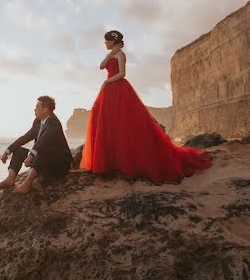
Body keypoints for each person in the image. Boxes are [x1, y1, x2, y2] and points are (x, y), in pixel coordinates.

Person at [81, 30, 211, 182]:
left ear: (113, 42)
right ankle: (111, 161)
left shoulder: (121, 55)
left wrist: (107, 81)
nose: (105, 44)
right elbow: (101, 66)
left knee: (122, 123)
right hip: (109, 91)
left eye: (106, 41)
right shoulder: (112, 54)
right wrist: (111, 54)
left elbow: (122, 74)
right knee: (106, 121)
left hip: (118, 89)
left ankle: (123, 162)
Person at [0, 95, 73, 194]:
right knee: (19, 150)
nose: (34, 109)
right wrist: (7, 151)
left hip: (60, 164)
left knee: (43, 151)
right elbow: (25, 137)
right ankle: (10, 179)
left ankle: (26, 185)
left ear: (45, 109)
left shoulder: (54, 123)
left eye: (37, 107)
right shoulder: (38, 122)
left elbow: (43, 141)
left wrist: (31, 156)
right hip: (44, 161)